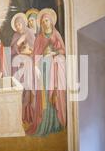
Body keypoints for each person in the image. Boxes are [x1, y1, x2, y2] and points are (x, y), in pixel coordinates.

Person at [27, 8, 67, 136]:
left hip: (54, 70)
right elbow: (35, 55)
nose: (45, 23)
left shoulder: (56, 35)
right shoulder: (39, 37)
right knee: (43, 95)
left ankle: (55, 123)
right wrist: (36, 67)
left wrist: (54, 53)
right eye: (43, 22)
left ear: (51, 22)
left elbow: (63, 51)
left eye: (47, 21)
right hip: (43, 70)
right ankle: (44, 123)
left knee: (54, 93)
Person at [10, 13, 37, 127]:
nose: (18, 26)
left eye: (19, 24)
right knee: (20, 90)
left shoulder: (30, 33)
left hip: (29, 64)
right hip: (19, 66)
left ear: (23, 23)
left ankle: (31, 116)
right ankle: (21, 117)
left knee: (29, 89)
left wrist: (28, 51)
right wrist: (18, 42)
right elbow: (12, 51)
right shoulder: (15, 36)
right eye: (16, 25)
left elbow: (35, 49)